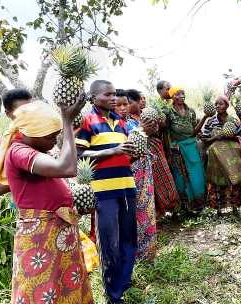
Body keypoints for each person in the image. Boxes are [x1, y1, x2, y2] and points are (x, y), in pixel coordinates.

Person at [0, 99, 93, 303]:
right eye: (50, 137)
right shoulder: (20, 152)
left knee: (63, 286)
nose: (54, 141)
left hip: (56, 231)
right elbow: (67, 168)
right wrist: (68, 124)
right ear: (30, 134)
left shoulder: (34, 150)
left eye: (56, 135)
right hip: (41, 235)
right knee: (40, 288)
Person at [76, 80, 137, 304]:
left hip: (127, 187)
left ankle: (124, 281)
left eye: (114, 94)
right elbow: (79, 155)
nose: (113, 98)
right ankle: (113, 294)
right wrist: (113, 151)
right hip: (103, 191)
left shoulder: (121, 121)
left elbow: (126, 153)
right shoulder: (86, 121)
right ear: (93, 97)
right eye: (107, 94)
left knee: (129, 239)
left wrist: (133, 152)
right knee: (109, 243)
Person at [125, 100, 159, 262]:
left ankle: (148, 254)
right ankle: (142, 256)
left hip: (145, 184)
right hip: (137, 185)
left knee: (147, 215)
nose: (157, 129)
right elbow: (129, 159)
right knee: (141, 216)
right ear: (149, 123)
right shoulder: (135, 135)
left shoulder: (141, 135)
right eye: (155, 124)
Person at [166, 86, 206, 212]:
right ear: (172, 96)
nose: (181, 96)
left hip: (192, 146)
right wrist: (171, 145)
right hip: (178, 148)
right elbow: (166, 132)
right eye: (178, 94)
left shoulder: (191, 111)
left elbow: (194, 131)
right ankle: (186, 206)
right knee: (181, 176)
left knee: (196, 173)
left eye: (183, 94)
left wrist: (205, 117)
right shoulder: (169, 113)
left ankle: (199, 205)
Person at [201, 95, 241, 215]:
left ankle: (235, 206)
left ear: (227, 105)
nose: (218, 106)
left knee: (233, 178)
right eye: (216, 104)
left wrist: (230, 135)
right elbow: (204, 139)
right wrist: (216, 137)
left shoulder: (234, 121)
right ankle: (219, 208)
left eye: (221, 104)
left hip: (232, 155)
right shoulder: (210, 121)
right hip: (216, 155)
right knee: (217, 180)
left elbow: (240, 137)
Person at [0, 89, 33, 196]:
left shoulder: (37, 133)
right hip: (28, 203)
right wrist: (36, 175)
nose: (28, 115)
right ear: (8, 114)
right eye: (22, 111)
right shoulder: (6, 143)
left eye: (31, 110)